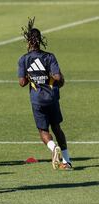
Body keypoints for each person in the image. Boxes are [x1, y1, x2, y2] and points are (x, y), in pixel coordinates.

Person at [18, 18, 72, 170]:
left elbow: (22, 83)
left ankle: (52, 147)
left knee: (43, 131)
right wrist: (57, 81)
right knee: (57, 127)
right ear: (41, 40)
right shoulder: (49, 57)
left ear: (28, 41)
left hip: (37, 100)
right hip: (52, 98)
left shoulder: (24, 59)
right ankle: (67, 161)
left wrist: (31, 77)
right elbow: (58, 78)